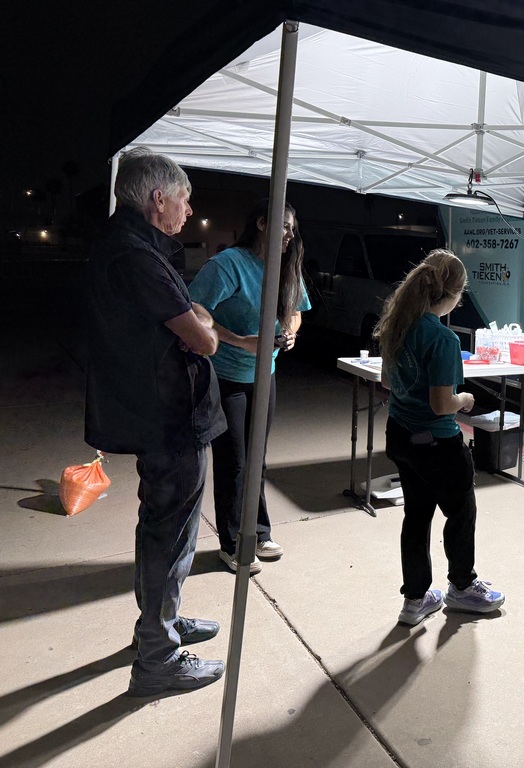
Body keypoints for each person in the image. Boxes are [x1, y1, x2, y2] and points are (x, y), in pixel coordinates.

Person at [85, 148, 227, 696]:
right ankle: (157, 657)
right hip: (169, 417)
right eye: (184, 200)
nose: (189, 211)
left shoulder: (129, 246)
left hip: (160, 414)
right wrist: (201, 328)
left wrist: (197, 323)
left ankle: (159, 624)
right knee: (169, 532)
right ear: (158, 197)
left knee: (162, 528)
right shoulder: (134, 254)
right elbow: (204, 338)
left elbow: (191, 320)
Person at [374, 249, 505, 626]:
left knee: (416, 516)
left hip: (401, 436)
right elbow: (441, 404)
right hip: (438, 444)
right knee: (461, 514)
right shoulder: (442, 338)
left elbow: (387, 382)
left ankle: (415, 599)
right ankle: (462, 586)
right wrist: (465, 400)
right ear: (454, 294)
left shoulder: (396, 325)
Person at [189, 199, 311, 573]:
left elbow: (295, 311)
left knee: (257, 457)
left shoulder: (286, 266)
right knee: (235, 462)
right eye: (285, 226)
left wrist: (290, 331)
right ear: (261, 223)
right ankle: (231, 543)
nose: (290, 234)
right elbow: (194, 311)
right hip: (226, 377)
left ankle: (258, 532)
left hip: (264, 375)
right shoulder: (229, 264)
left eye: (292, 228)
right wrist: (240, 340)